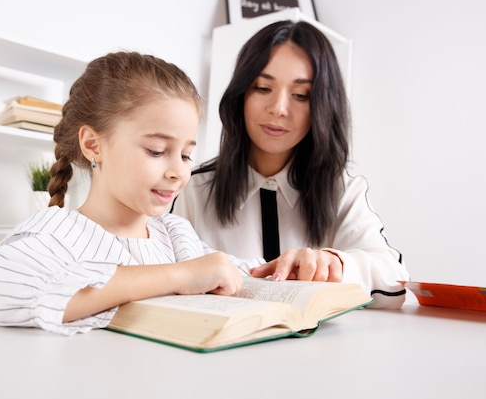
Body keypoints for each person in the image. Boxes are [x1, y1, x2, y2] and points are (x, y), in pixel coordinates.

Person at [0, 51, 245, 335]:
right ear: (93, 145)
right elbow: (3, 292)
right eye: (156, 151)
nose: (178, 172)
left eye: (185, 155)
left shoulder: (175, 235)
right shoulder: (55, 232)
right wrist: (179, 276)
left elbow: (227, 269)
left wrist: (282, 265)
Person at [172, 20, 409, 308]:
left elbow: (395, 283)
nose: (279, 108)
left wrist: (333, 262)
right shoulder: (190, 189)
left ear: (322, 105)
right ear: (241, 95)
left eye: (301, 95)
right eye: (262, 87)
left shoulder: (343, 192)